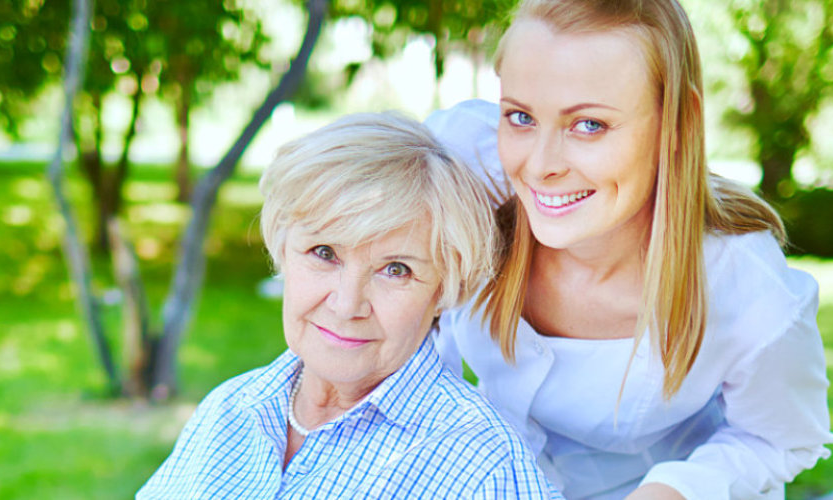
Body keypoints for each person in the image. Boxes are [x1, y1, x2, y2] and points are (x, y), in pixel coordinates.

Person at [422, 0, 833, 498]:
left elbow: (780, 439)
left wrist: (676, 489)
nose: (540, 165)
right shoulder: (461, 169)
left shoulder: (744, 286)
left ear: (676, 123)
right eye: (520, 116)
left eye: (589, 125)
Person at [138, 112, 562, 499]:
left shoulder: (481, 467)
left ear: (443, 290)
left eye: (396, 270)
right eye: (324, 253)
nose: (347, 305)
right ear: (284, 251)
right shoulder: (230, 411)